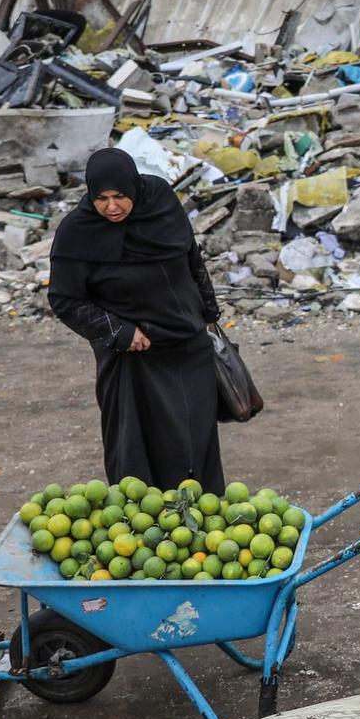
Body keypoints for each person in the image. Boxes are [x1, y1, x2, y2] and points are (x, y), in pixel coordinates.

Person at [48, 148, 225, 495]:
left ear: (134, 188)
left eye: (120, 196)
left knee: (193, 444)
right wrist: (120, 331)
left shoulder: (160, 202)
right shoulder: (77, 232)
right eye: (101, 198)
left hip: (187, 348)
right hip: (131, 358)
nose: (112, 207)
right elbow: (64, 300)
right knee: (135, 449)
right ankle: (143, 531)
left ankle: (200, 530)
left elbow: (191, 258)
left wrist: (208, 314)